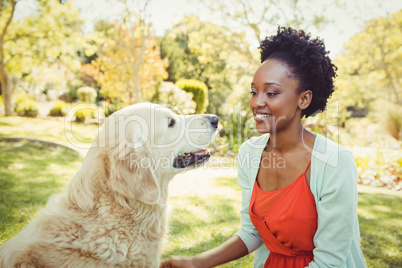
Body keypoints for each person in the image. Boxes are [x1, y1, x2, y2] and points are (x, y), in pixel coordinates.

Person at [160, 26, 366, 268]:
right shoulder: (250, 152)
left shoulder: (335, 162)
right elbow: (252, 232)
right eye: (254, 92)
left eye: (271, 92)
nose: (257, 102)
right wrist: (195, 262)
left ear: (304, 99)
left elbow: (329, 262)